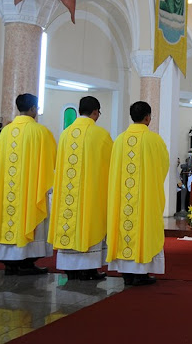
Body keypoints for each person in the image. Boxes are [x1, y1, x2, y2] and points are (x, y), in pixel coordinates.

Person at [0, 93, 56, 275]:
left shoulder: (6, 131)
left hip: (6, 191)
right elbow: (51, 160)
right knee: (29, 217)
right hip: (29, 190)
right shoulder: (40, 131)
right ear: (33, 108)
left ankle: (10, 263)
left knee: (7, 219)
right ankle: (26, 262)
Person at [48, 96, 113, 280]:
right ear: (95, 112)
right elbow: (111, 165)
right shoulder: (100, 135)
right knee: (88, 225)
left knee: (68, 223)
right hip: (89, 195)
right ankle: (88, 268)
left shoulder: (65, 134)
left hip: (67, 195)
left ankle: (69, 268)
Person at [106, 101, 169, 286]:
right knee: (144, 228)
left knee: (123, 228)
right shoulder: (154, 140)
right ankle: (141, 273)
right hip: (145, 199)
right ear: (148, 117)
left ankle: (126, 273)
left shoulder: (119, 140)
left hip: (122, 200)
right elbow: (163, 166)